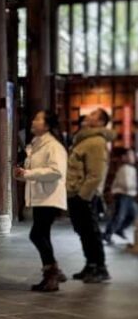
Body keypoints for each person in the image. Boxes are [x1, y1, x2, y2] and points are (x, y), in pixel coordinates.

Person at [14, 110, 68, 292]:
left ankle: (52, 271)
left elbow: (56, 171)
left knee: (37, 234)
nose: (33, 121)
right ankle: (52, 272)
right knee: (41, 234)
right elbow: (34, 170)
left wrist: (28, 173)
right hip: (41, 196)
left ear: (46, 125)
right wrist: (22, 174)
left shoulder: (53, 146)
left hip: (49, 197)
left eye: (37, 118)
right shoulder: (37, 145)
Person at [66, 108, 116, 283]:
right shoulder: (84, 139)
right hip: (76, 192)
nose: (88, 116)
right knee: (83, 231)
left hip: (85, 195)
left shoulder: (96, 141)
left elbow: (96, 174)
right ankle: (90, 264)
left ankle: (100, 268)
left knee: (91, 232)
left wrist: (83, 195)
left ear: (101, 122)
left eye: (94, 115)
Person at [103, 148, 137, 244]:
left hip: (130, 196)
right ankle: (107, 234)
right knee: (119, 216)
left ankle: (119, 229)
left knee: (133, 215)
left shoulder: (132, 168)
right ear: (124, 157)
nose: (133, 157)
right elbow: (126, 184)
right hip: (122, 196)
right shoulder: (124, 169)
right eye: (130, 155)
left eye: (133, 155)